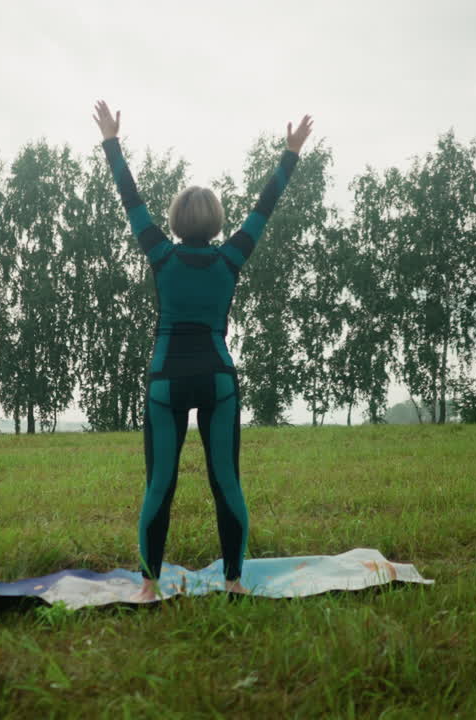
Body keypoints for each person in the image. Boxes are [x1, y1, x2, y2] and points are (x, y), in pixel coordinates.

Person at [92, 100, 312, 602]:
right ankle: (234, 582)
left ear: (173, 221)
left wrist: (111, 142)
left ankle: (148, 588)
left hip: (166, 382)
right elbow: (264, 208)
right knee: (226, 483)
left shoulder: (160, 253)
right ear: (215, 223)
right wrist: (290, 153)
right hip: (217, 379)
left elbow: (130, 198)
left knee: (159, 486)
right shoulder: (230, 258)